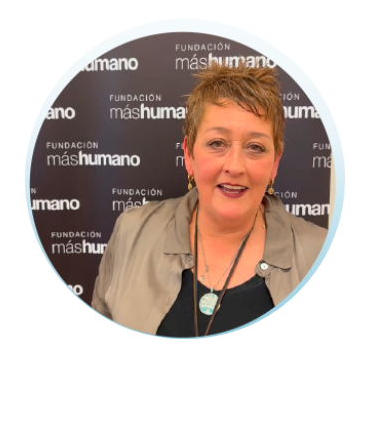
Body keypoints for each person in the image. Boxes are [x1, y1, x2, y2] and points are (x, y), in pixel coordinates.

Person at [92, 62, 327, 337]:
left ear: (275, 163)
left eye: (255, 147)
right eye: (217, 143)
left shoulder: (321, 255)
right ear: (188, 155)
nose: (235, 166)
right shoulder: (132, 232)